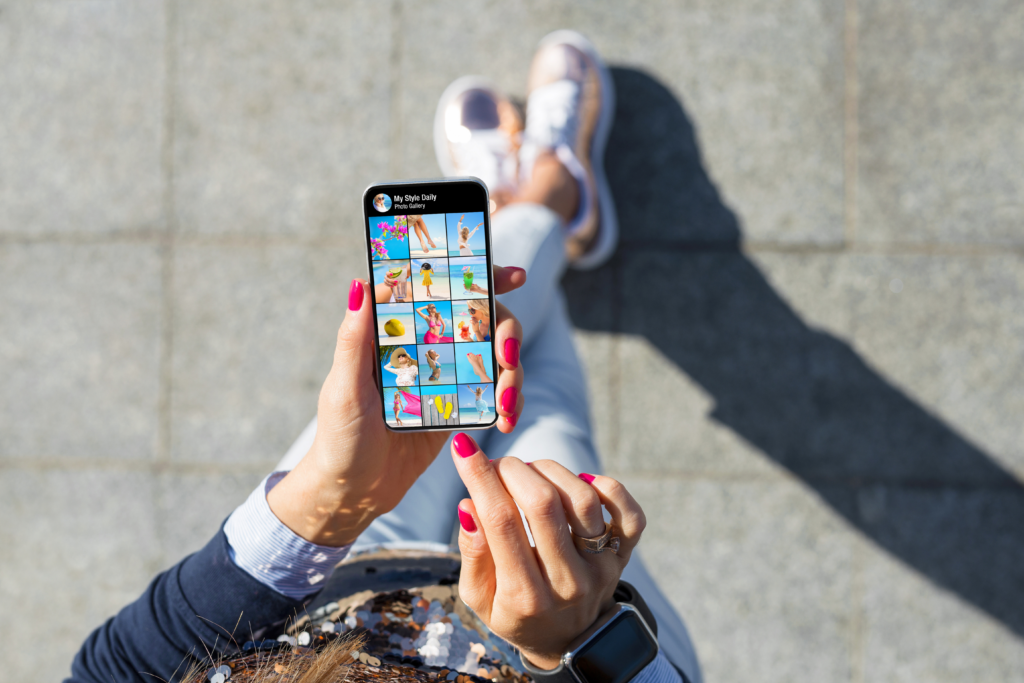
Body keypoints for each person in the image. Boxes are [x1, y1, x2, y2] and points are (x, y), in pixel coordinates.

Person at [67, 30, 701, 683]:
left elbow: (115, 669)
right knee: (551, 429)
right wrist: (573, 643)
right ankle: (543, 197)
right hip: (548, 621)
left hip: (343, 565)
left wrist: (330, 497)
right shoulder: (569, 632)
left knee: (482, 348)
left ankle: (534, 202)